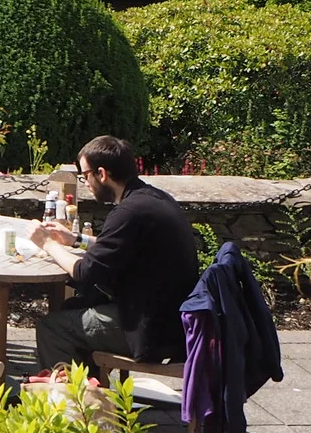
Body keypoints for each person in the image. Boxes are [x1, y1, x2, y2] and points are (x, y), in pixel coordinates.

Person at [28, 135, 202, 371]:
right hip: (173, 317)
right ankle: (94, 393)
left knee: (54, 327)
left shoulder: (128, 212)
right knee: (71, 309)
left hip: (151, 330)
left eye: (84, 175)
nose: (85, 183)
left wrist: (47, 243)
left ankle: (71, 403)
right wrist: (76, 240)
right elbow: (120, 247)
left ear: (102, 174)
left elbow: (85, 272)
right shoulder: (151, 198)